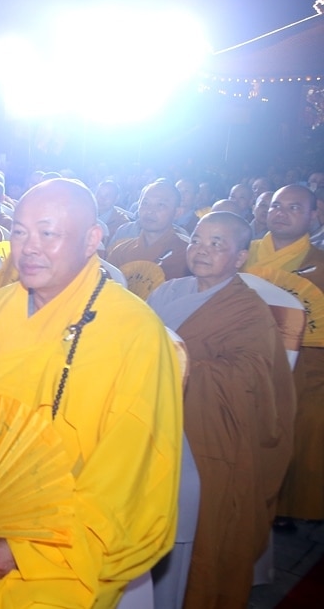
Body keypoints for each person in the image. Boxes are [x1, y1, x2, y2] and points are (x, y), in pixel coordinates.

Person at [0, 178, 182, 607]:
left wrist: (26, 550)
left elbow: (127, 476)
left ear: (92, 239)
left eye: (48, 233)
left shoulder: (134, 331)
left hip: (63, 549)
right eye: (19, 231)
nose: (29, 247)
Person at [148, 212, 294, 608]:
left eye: (217, 244)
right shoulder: (167, 292)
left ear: (240, 257)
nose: (202, 250)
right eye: (197, 240)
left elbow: (249, 379)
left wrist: (175, 365)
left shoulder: (248, 311)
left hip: (203, 429)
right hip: (147, 410)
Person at [244, 184, 324, 524]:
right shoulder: (241, 250)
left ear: (312, 213)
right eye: (277, 205)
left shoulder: (319, 263)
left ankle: (286, 503)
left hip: (304, 358)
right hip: (243, 350)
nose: (282, 213)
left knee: (305, 419)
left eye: (294, 207)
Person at [107, 180, 190, 285]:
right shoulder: (120, 251)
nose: (150, 210)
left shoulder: (186, 256)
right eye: (145, 203)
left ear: (177, 212)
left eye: (161, 205)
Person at [96, 180, 133, 248]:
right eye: (99, 194)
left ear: (116, 199)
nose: (102, 199)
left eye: (107, 195)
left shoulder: (122, 223)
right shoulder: (84, 214)